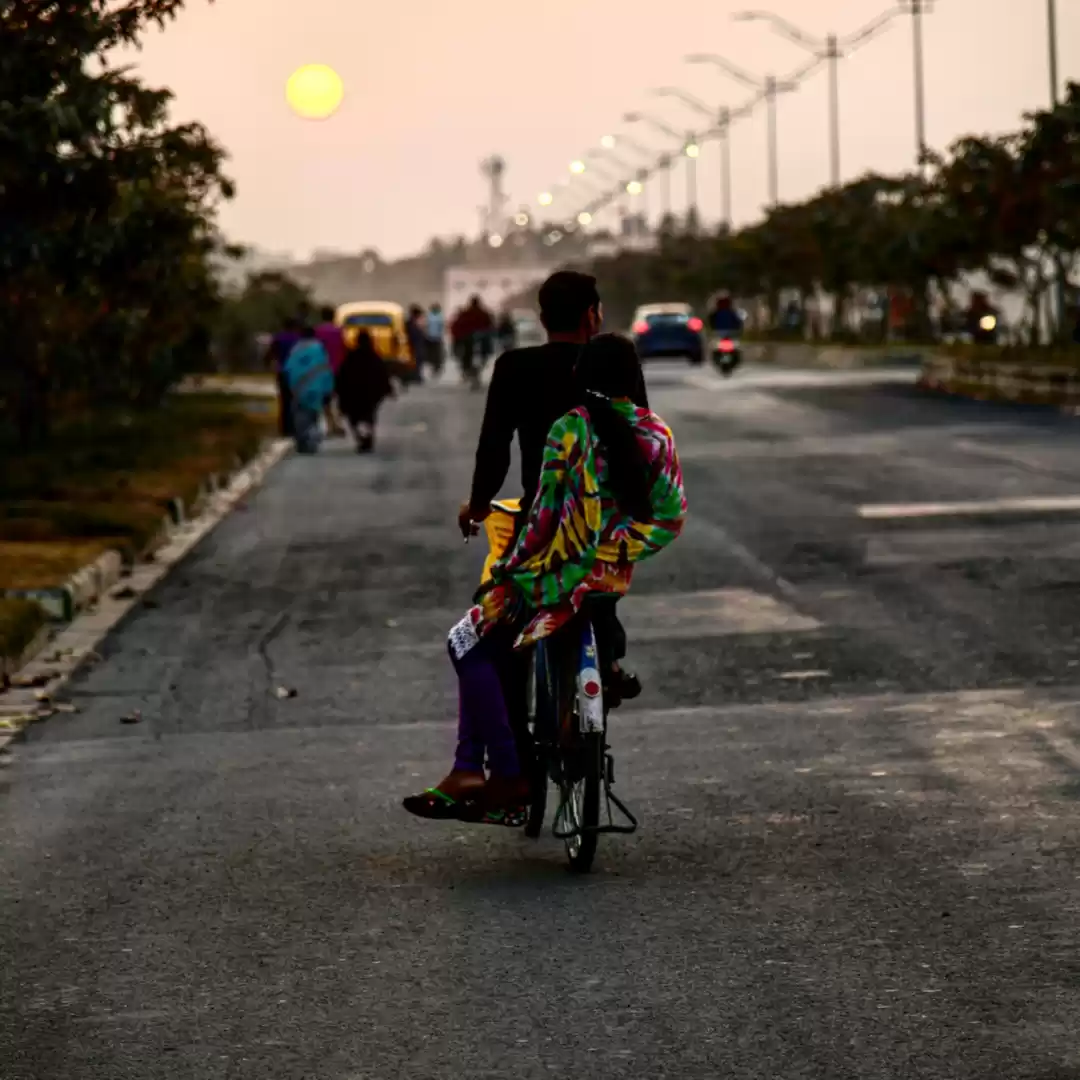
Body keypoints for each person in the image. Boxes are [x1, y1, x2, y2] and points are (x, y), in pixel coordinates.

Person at [403, 333, 686, 823]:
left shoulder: (569, 430)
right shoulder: (656, 433)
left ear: (581, 376)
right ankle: (483, 765)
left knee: (465, 641)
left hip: (552, 581)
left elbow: (543, 518)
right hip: (607, 582)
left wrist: (509, 570)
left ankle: (501, 771)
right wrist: (614, 551)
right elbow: (670, 516)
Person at [457, 270, 647, 769]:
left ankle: (519, 757)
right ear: (592, 316)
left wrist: (478, 504)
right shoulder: (614, 360)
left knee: (509, 633)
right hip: (605, 525)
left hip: (540, 522)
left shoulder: (515, 366)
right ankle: (607, 663)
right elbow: (641, 434)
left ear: (542, 319)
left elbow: (494, 445)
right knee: (598, 591)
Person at [335, 329, 394, 453]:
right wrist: (388, 389)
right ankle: (367, 438)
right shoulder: (374, 356)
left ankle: (362, 439)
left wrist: (338, 391)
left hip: (353, 395)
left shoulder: (351, 357)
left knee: (354, 418)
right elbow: (383, 374)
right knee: (368, 417)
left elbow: (342, 376)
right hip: (370, 395)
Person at [282, 325, 335, 454]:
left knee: (299, 414)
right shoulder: (319, 348)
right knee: (313, 414)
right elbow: (325, 368)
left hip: (298, 388)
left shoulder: (295, 349)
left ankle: (303, 439)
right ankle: (311, 437)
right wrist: (328, 388)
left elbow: (288, 368)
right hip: (316, 388)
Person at [266, 315, 301, 437]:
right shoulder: (298, 338)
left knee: (284, 401)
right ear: (294, 327)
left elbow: (270, 354)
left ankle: (285, 428)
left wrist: (269, 364)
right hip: (297, 373)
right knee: (296, 400)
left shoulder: (278, 338)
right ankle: (296, 426)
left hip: (282, 372)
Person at [314, 306, 346, 435]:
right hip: (338, 368)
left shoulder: (317, 331)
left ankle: (330, 425)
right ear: (333, 316)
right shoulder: (339, 331)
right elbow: (343, 348)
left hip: (322, 369)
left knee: (325, 399)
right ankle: (339, 423)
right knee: (339, 398)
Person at [450, 295, 494, 388]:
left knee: (466, 357)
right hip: (478, 342)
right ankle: (473, 373)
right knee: (481, 356)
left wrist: (457, 339)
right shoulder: (484, 313)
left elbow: (457, 327)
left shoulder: (466, 313)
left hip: (469, 341)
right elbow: (490, 327)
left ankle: (468, 372)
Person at [405, 304, 428, 381]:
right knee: (416, 361)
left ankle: (416, 375)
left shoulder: (413, 322)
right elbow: (413, 335)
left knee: (418, 361)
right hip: (415, 346)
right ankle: (415, 376)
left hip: (417, 345)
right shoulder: (411, 323)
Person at [425, 302, 446, 375]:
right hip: (430, 337)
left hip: (437, 338)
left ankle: (437, 367)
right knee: (431, 354)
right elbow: (427, 326)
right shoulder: (430, 315)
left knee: (437, 353)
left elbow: (442, 327)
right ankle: (433, 366)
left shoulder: (440, 316)